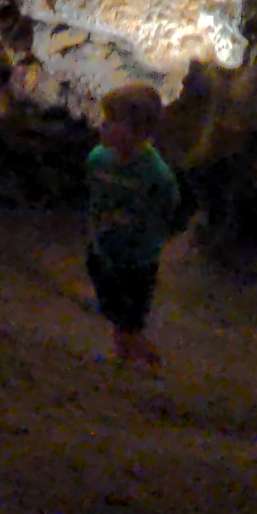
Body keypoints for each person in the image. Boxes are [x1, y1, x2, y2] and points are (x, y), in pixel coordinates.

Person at [82, 80, 183, 370]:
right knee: (113, 307)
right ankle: (128, 353)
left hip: (138, 258)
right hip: (103, 248)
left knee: (131, 315)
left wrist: (152, 234)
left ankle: (138, 356)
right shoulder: (98, 160)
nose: (105, 127)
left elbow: (170, 205)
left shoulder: (155, 174)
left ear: (140, 131)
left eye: (115, 122)